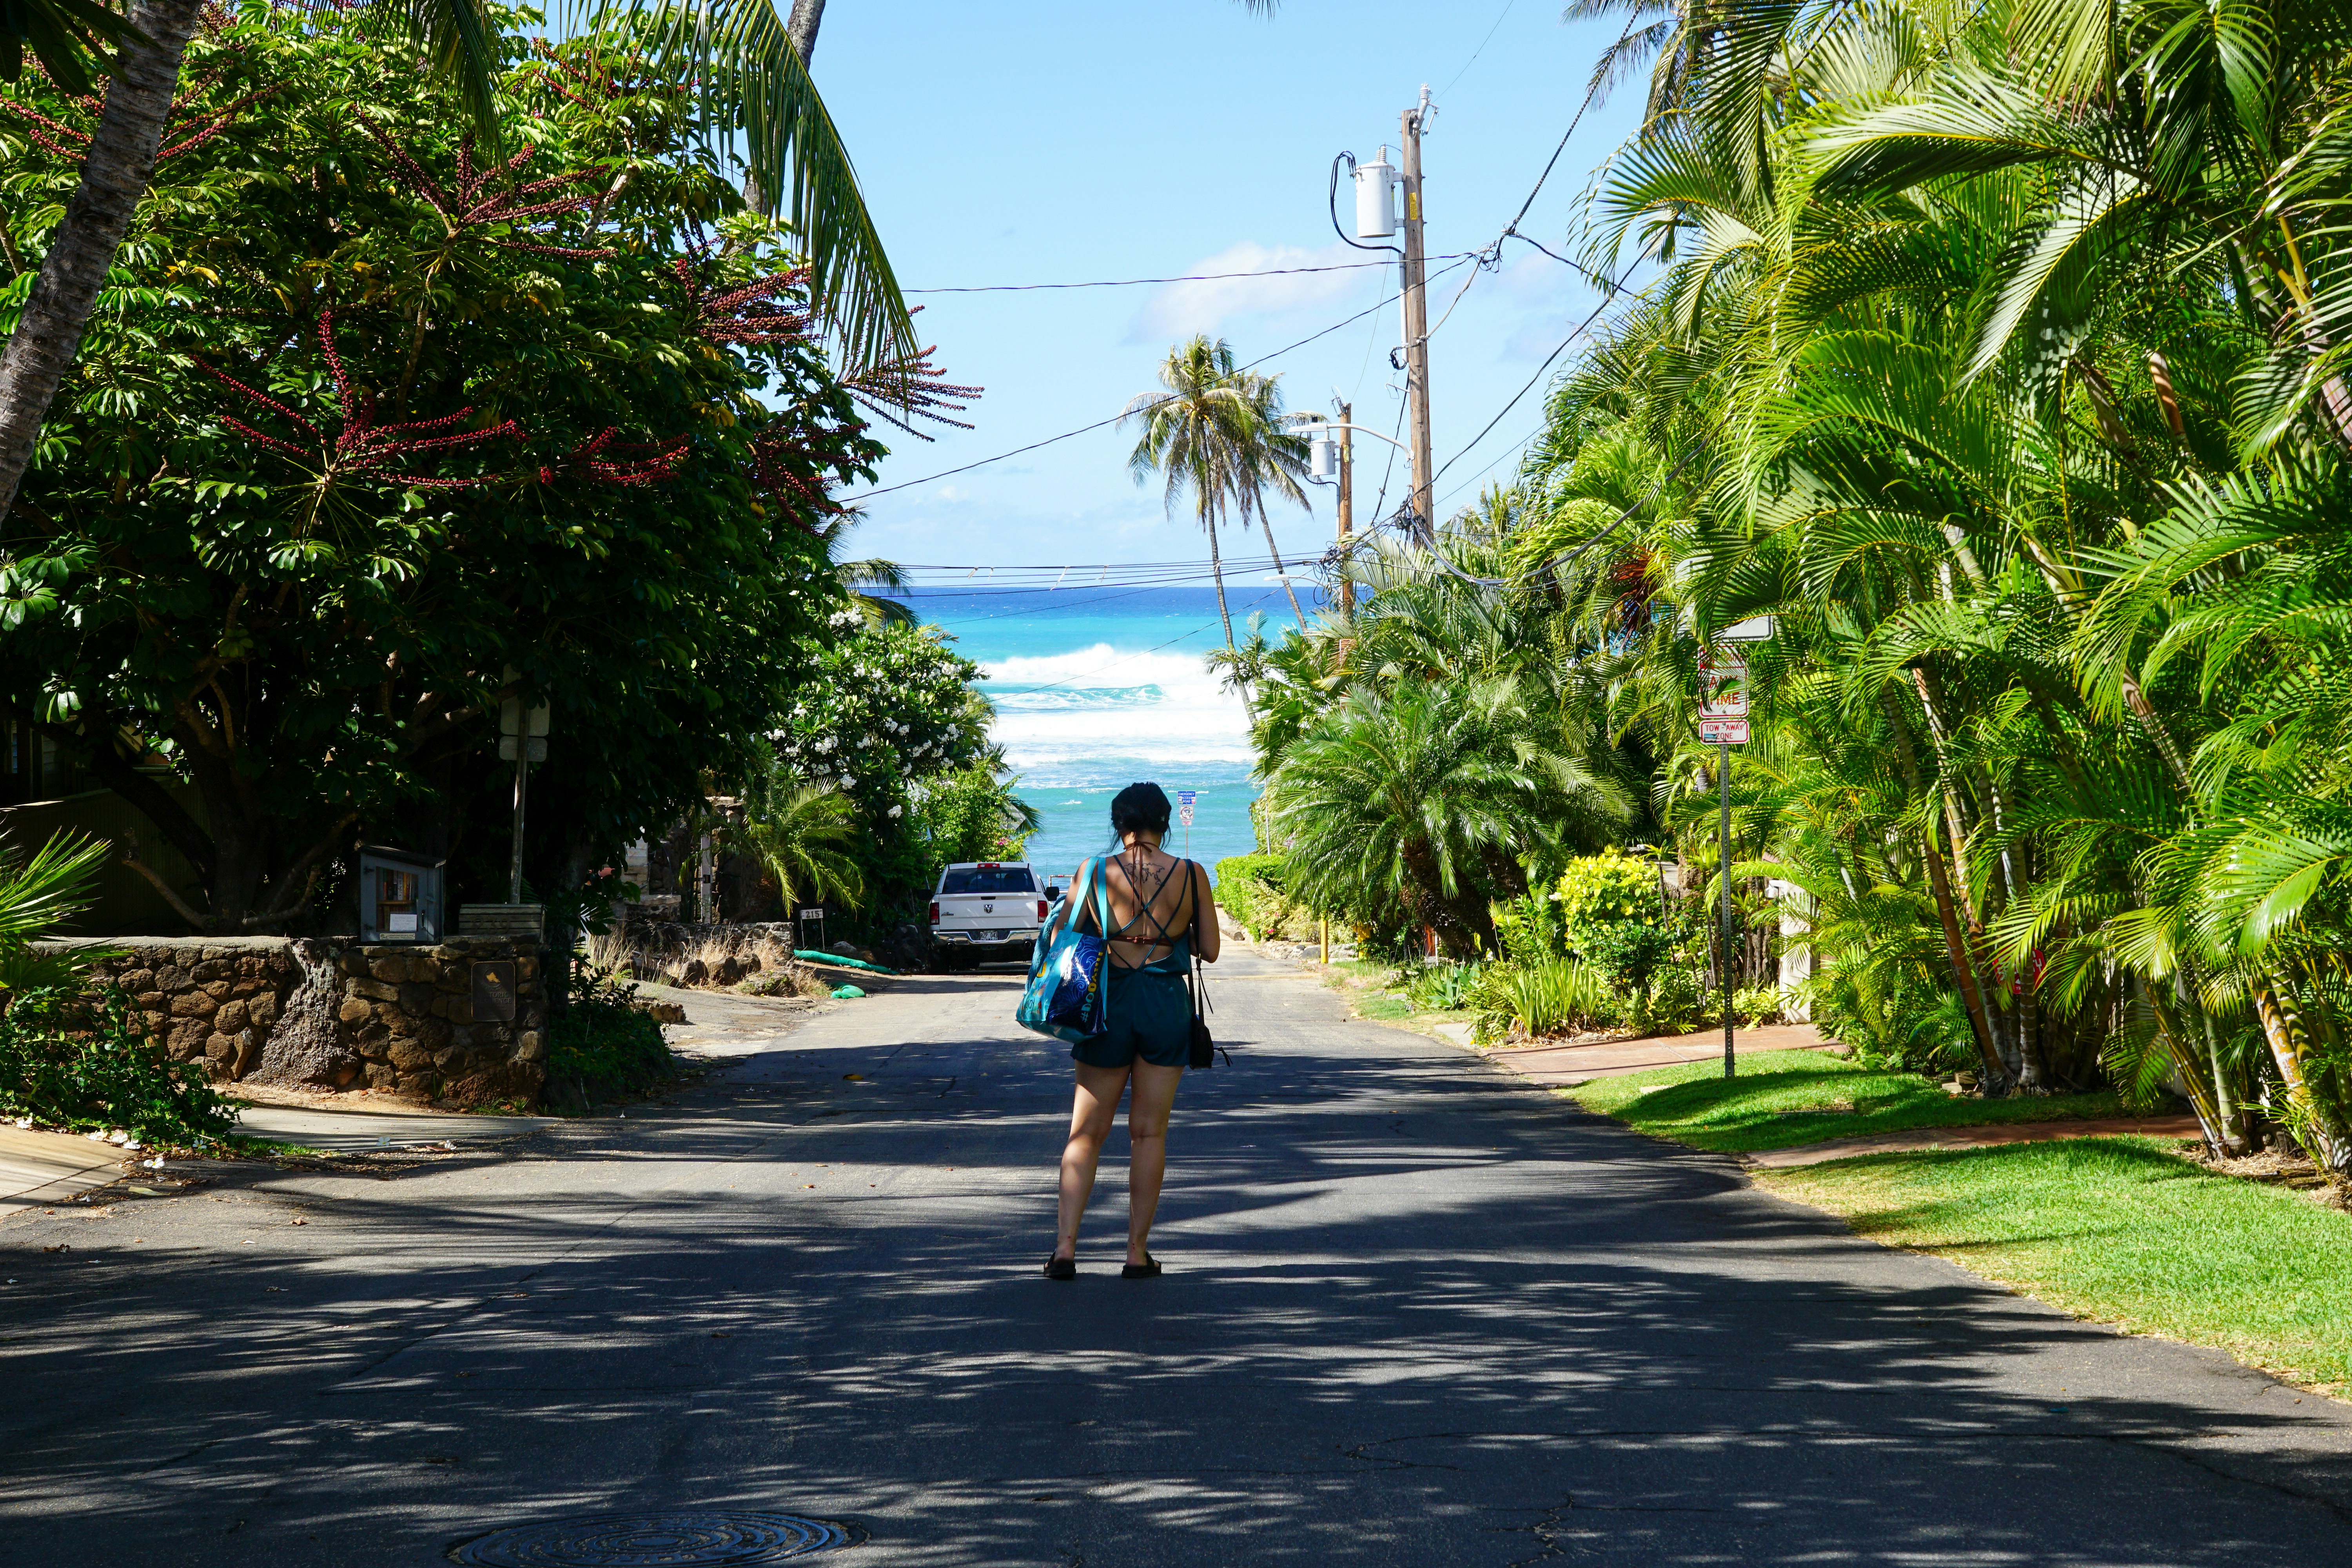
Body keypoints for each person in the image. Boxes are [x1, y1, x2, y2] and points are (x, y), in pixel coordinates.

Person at [1045, 781, 1220, 1280]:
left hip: (1108, 1005)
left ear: (1119, 823)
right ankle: (1136, 1254)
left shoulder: (1095, 871)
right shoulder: (1191, 874)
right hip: (1165, 1004)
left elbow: (1065, 940)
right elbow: (1209, 950)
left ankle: (1065, 1250)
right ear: (1164, 822)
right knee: (1148, 1134)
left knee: (1086, 1133)